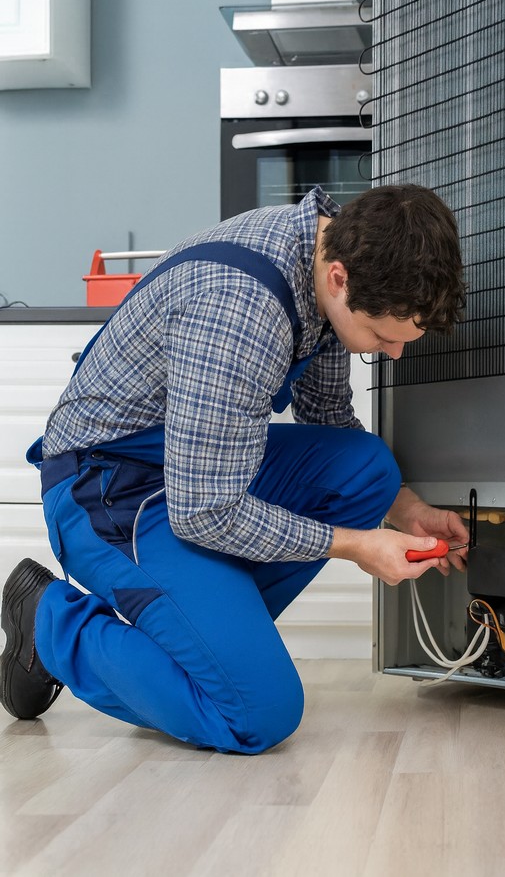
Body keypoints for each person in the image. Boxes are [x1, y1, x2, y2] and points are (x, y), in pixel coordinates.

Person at [0, 184, 468, 753]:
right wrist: (354, 545)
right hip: (110, 490)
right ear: (341, 277)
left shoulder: (324, 260)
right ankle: (49, 625)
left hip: (191, 472)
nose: (392, 353)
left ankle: (204, 646)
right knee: (257, 713)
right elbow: (206, 514)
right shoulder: (241, 313)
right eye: (381, 337)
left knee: (369, 471)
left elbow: (327, 419)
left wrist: (408, 511)